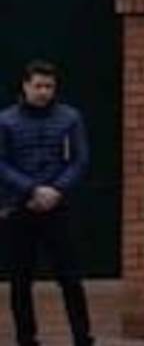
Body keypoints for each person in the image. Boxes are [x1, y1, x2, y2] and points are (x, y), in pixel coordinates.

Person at [0, 61, 93, 346]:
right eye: (38, 86)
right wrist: (32, 189)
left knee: (70, 277)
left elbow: (80, 160)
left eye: (49, 86)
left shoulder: (70, 118)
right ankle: (26, 339)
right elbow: (1, 163)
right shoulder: (5, 120)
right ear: (25, 86)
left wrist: (56, 190)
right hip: (20, 207)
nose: (43, 92)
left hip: (58, 207)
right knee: (20, 279)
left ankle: (82, 337)